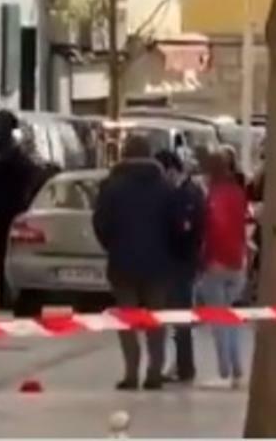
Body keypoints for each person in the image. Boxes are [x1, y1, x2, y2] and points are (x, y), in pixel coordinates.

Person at [94, 135, 179, 391]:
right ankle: (154, 372)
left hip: (123, 263)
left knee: (127, 319)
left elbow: (100, 223)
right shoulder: (165, 188)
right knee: (156, 320)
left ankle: (131, 372)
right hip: (158, 264)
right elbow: (175, 225)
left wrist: (112, 246)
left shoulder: (111, 187)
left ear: (125, 154)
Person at [199, 152, 250, 390]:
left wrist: (205, 258)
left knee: (218, 320)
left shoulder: (214, 195)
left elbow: (215, 229)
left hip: (217, 262)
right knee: (230, 317)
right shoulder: (238, 192)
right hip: (237, 262)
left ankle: (225, 371)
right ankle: (236, 368)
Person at [155, 149, 206, 385]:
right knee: (177, 317)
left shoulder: (187, 195)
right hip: (180, 263)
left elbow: (185, 231)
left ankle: (184, 366)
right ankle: (181, 364)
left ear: (171, 171)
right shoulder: (185, 192)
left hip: (181, 264)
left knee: (180, 317)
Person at [0, 109, 40, 310]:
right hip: (3, 211)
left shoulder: (11, 155)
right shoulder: (6, 152)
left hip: (8, 212)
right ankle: (3, 295)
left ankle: (6, 297)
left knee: (5, 256)